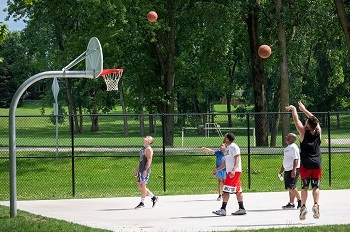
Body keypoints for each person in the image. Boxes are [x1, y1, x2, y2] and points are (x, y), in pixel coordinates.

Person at [285, 102, 322, 220]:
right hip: (317, 164)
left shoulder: (303, 132)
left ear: (308, 124)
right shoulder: (318, 131)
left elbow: (296, 120)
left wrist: (294, 109)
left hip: (306, 165)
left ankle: (304, 207)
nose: (305, 122)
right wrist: (305, 110)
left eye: (306, 121)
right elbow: (314, 120)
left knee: (305, 187)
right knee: (316, 186)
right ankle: (316, 204)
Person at [212, 133, 246, 216]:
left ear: (227, 139)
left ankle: (223, 209)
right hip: (230, 172)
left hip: (234, 172)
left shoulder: (234, 146)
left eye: (225, 136)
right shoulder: (228, 148)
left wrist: (234, 170)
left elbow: (237, 158)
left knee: (226, 190)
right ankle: (242, 208)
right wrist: (217, 169)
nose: (224, 137)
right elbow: (225, 163)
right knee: (238, 190)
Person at [278, 133, 302, 210]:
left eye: (288, 136)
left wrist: (294, 170)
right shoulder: (287, 148)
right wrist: (281, 171)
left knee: (291, 186)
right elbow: (285, 161)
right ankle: (291, 204)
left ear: (292, 139)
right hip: (287, 170)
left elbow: (296, 159)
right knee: (290, 187)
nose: (286, 137)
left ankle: (300, 201)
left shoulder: (293, 147)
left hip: (293, 169)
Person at [134, 135, 158, 209]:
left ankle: (142, 203)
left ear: (150, 141)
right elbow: (141, 160)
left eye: (149, 137)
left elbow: (149, 160)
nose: (147, 137)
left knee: (143, 186)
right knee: (140, 187)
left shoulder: (148, 149)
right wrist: (137, 169)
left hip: (145, 171)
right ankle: (153, 197)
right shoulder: (143, 148)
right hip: (141, 170)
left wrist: (145, 170)